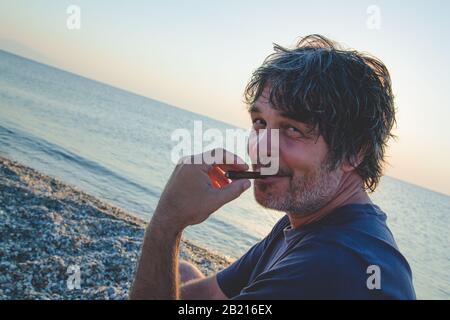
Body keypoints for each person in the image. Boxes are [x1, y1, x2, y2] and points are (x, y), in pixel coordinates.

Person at [129, 34, 416, 300]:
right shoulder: (307, 222)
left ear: (354, 151)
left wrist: (167, 223)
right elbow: (211, 295)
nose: (260, 148)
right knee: (181, 271)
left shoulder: (334, 266)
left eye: (291, 129)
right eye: (260, 123)